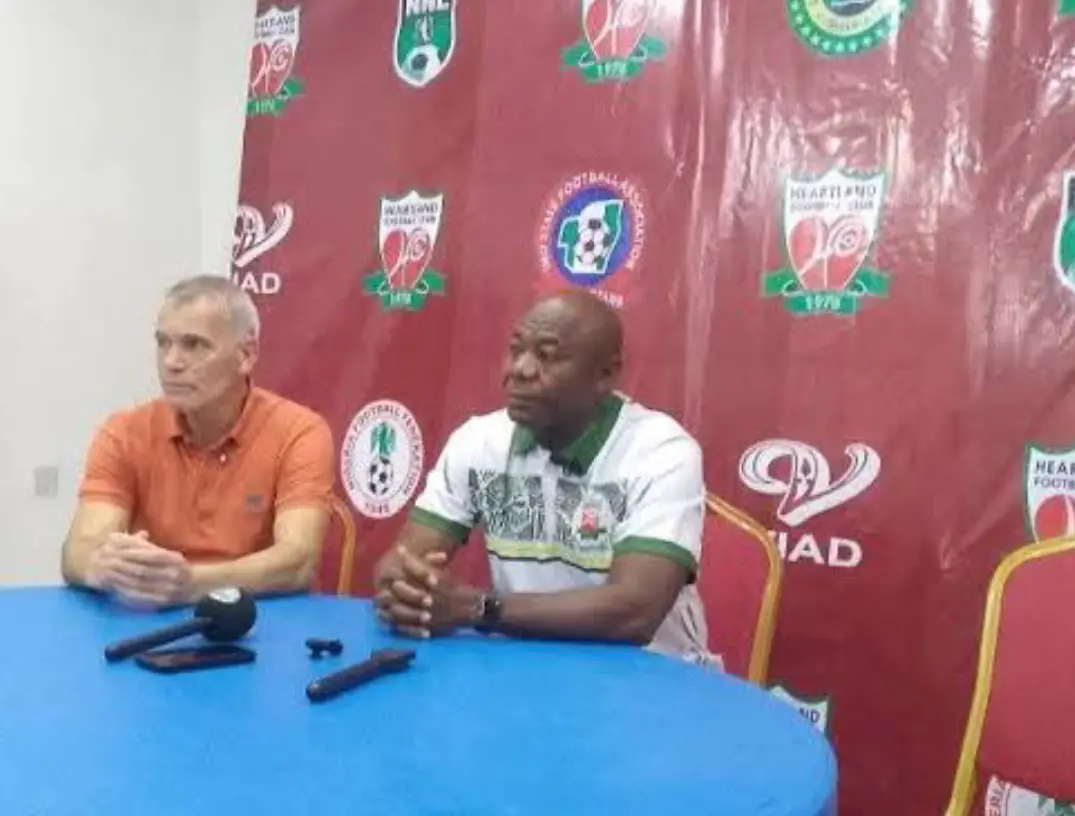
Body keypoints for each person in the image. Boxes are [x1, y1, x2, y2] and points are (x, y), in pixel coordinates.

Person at [374, 290, 714, 665]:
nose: (520, 369)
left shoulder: (660, 451)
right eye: (515, 349)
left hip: (651, 680)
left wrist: (475, 608)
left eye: (547, 356)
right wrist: (405, 591)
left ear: (605, 375)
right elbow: (400, 566)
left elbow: (633, 612)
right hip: (523, 666)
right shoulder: (478, 441)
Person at [61, 275, 335, 608]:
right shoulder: (124, 430)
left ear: (246, 355)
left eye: (194, 345)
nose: (171, 362)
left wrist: (191, 583)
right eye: (163, 343)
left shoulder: (299, 431)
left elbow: (298, 560)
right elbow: (80, 547)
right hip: (149, 620)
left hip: (261, 621)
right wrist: (99, 566)